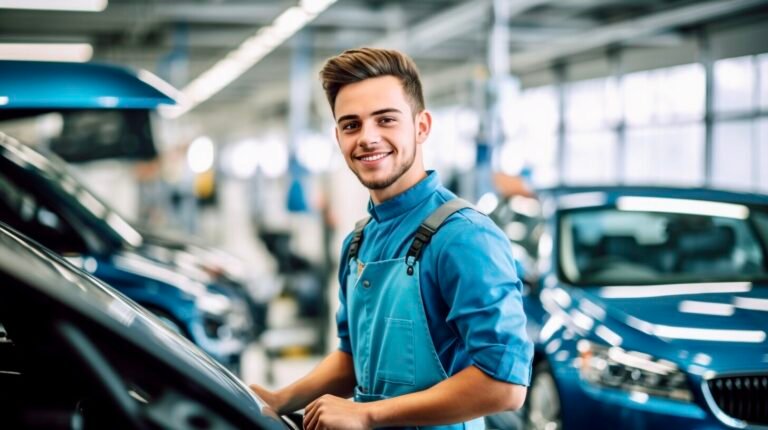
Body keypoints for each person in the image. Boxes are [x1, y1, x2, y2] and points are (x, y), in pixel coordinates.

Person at [250, 47, 533, 430]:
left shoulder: (465, 238)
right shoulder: (358, 241)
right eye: (351, 125)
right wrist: (281, 399)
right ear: (338, 137)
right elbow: (352, 358)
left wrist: (366, 413)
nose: (367, 138)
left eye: (385, 120)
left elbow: (503, 384)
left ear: (421, 127)